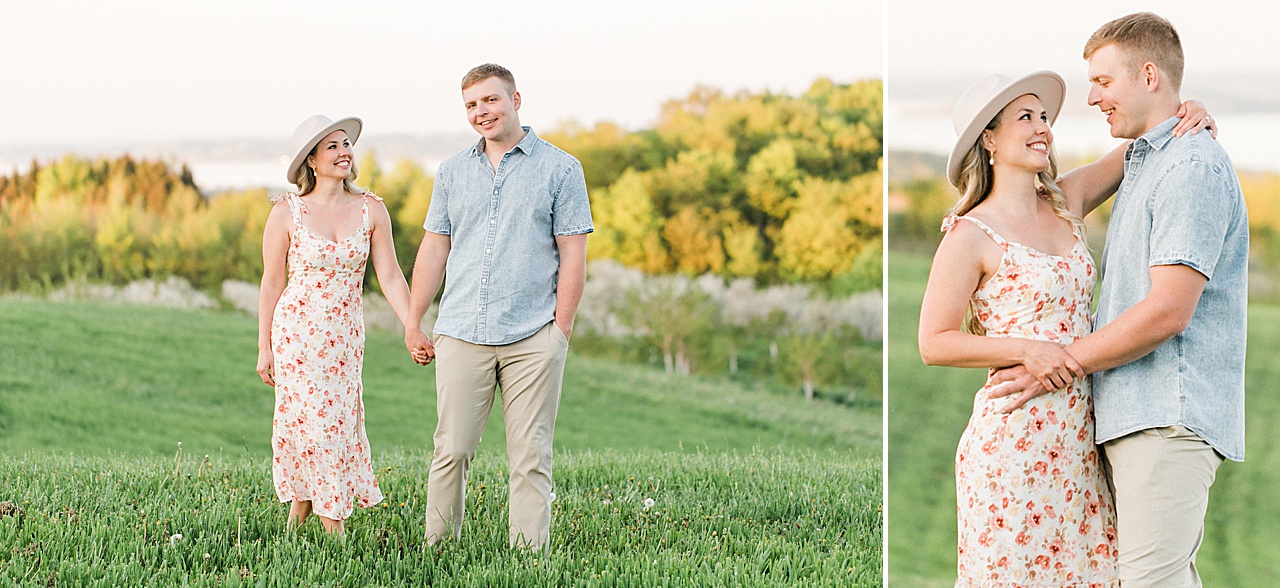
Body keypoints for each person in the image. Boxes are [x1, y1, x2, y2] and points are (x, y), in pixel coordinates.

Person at [918, 70, 1214, 585]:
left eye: (1044, 118)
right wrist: (1027, 350)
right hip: (1013, 443)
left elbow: (1137, 149)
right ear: (988, 139)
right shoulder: (970, 234)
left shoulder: (1065, 200)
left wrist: (1190, 112)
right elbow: (933, 342)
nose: (1042, 128)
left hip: (1082, 439)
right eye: (1025, 118)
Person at [985, 13, 1248, 587]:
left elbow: (1169, 310)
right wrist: (1185, 111)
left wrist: (1063, 362)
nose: (1093, 97)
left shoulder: (1189, 165)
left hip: (1167, 414)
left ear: (1148, 75)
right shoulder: (1147, 160)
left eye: (1103, 81)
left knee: (1150, 581)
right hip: (1131, 414)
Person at [402, 63, 593, 550]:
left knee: (530, 456)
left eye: (490, 100)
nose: (481, 112)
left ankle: (528, 561)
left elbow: (573, 255)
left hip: (533, 335)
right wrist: (413, 319)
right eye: (471, 105)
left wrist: (560, 331)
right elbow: (434, 249)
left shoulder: (561, 168)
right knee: (451, 450)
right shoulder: (451, 171)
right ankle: (438, 551)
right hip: (462, 330)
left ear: (515, 99)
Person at [256, 114, 417, 533]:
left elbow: (391, 275)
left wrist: (412, 324)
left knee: (334, 425)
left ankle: (297, 521)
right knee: (309, 426)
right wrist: (264, 346)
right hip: (295, 337)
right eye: (332, 146)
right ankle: (334, 531)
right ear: (310, 159)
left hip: (343, 342)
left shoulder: (371, 209)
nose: (345, 152)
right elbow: (272, 282)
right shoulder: (285, 212)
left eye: (347, 144)